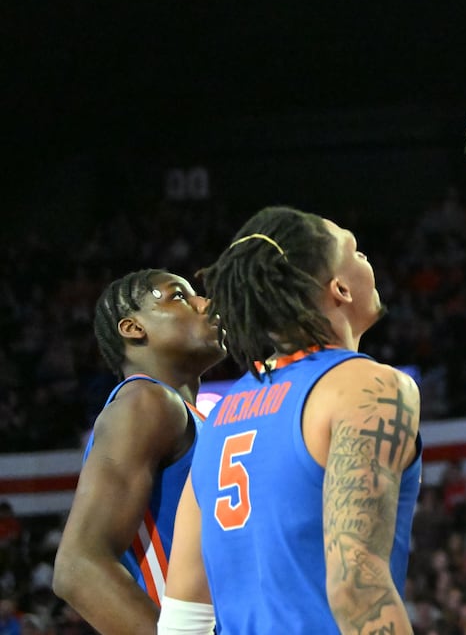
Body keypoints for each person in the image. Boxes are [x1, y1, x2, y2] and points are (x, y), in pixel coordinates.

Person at [156, 206, 422, 635]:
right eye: (356, 252)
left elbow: (182, 620)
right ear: (340, 289)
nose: (367, 260)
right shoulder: (366, 387)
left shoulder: (220, 418)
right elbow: (357, 588)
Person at [52, 269, 225, 635]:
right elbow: (78, 566)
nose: (206, 303)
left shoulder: (187, 415)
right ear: (133, 328)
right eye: (179, 296)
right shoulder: (146, 401)